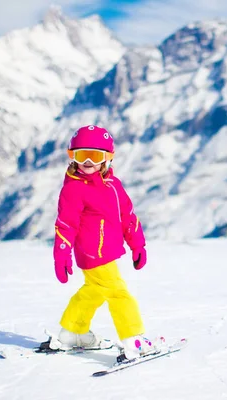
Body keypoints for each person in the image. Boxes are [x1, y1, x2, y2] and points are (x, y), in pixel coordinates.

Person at [50, 124, 156, 361]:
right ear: (72, 157)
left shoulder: (113, 185)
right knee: (119, 294)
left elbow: (127, 216)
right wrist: (62, 254)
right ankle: (134, 340)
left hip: (108, 250)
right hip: (92, 253)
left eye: (95, 156)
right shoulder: (74, 189)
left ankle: (72, 332)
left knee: (94, 291)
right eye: (80, 155)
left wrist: (137, 244)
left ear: (107, 159)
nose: (87, 161)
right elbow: (65, 224)